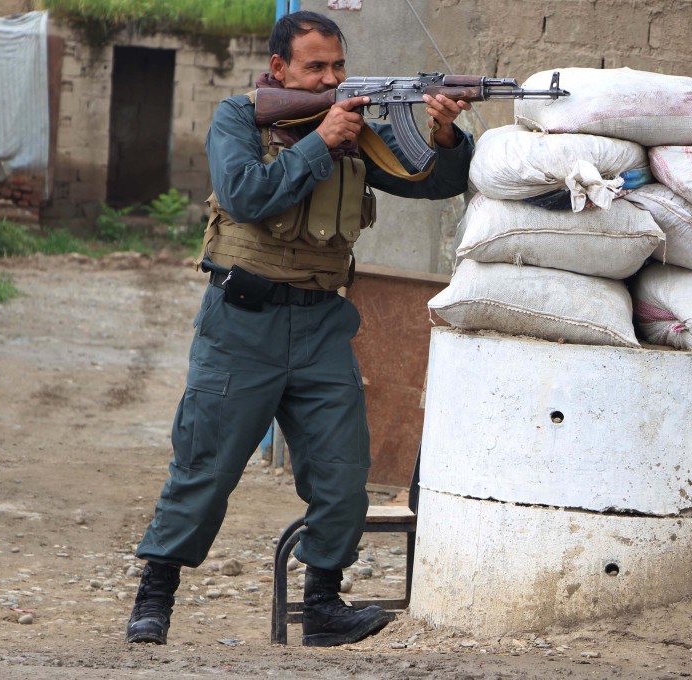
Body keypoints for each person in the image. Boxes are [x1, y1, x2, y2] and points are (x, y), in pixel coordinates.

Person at [125, 10, 473, 648]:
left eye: (338, 66)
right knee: (205, 467)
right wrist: (319, 143)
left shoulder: (356, 128)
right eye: (316, 68)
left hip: (320, 324)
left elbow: (434, 186)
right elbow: (246, 194)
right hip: (241, 324)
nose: (330, 79)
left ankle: (322, 606)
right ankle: (155, 598)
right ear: (279, 69)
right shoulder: (239, 118)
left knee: (343, 471)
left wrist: (444, 134)